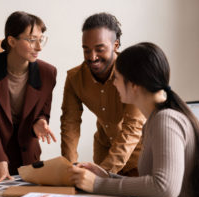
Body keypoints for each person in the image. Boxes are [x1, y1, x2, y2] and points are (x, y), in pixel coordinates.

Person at [70, 42, 199, 197]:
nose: (113, 83)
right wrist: (106, 177)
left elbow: (165, 188)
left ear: (134, 85)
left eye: (116, 77)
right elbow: (152, 186)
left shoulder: (166, 120)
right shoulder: (154, 121)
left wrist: (97, 183)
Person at [0, 11, 57, 182]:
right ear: (12, 41)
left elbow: (43, 111)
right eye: (32, 40)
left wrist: (40, 122)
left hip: (28, 153)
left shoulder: (48, 73)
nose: (39, 47)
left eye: (41, 40)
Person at [60, 12, 145, 176]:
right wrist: (70, 168)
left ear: (116, 45)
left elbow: (132, 128)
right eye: (86, 50)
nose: (92, 57)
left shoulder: (134, 74)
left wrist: (103, 172)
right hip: (104, 151)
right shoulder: (74, 78)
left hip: (140, 156)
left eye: (100, 49)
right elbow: (69, 124)